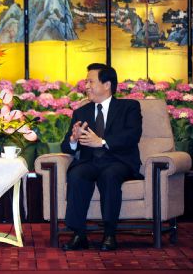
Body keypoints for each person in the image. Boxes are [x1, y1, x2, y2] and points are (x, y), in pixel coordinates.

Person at [61, 63, 142, 251]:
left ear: (107, 85)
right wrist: (74, 138)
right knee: (77, 174)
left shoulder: (129, 107)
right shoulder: (81, 112)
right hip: (91, 162)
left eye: (90, 81)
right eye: (86, 81)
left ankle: (109, 234)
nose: (86, 86)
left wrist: (103, 141)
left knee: (110, 174)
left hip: (118, 161)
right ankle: (79, 234)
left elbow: (132, 135)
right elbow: (67, 147)